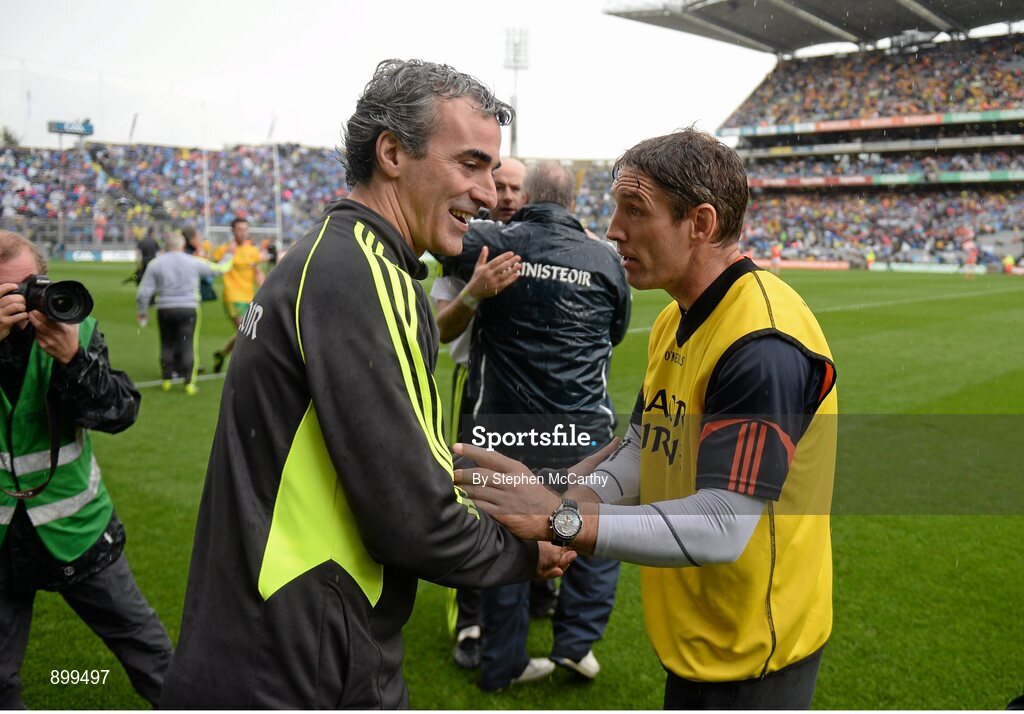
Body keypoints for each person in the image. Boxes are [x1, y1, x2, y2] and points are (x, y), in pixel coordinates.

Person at [159, 58, 573, 709]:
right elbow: (415, 518)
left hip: (266, 645)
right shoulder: (363, 273)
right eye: (470, 163)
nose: (490, 193)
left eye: (493, 170)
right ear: (392, 153)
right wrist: (529, 552)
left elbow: (396, 469)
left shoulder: (326, 252)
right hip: (303, 664)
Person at [455, 128, 838, 709]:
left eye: (634, 210)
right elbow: (641, 445)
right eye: (614, 207)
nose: (613, 229)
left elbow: (722, 524)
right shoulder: (675, 317)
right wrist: (579, 496)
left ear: (700, 224)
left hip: (755, 654)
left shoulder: (763, 343)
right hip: (699, 636)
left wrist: (563, 523)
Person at [443, 161, 631, 692]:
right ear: (572, 202)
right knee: (594, 529)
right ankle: (576, 644)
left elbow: (439, 238)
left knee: (507, 536)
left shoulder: (492, 243)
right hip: (581, 426)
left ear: (525, 196)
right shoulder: (604, 259)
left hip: (506, 428)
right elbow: (615, 331)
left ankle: (500, 664)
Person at [0, 231, 173, 708]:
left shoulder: (72, 327)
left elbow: (120, 411)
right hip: (1, 543)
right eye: (7, 293)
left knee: (153, 656)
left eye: (30, 286)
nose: (23, 301)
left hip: (77, 531)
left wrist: (74, 359)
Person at [430, 157, 525, 670]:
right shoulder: (463, 248)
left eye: (516, 187)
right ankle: (469, 618)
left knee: (535, 491)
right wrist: (474, 292)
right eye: (500, 185)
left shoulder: (545, 251)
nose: (507, 195)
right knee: (471, 497)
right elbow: (440, 330)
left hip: (528, 401)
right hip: (476, 389)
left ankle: (524, 598)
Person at [135, 232, 229, 394]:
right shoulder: (192, 261)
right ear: (183, 246)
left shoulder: (156, 264)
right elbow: (219, 270)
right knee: (188, 344)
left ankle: (167, 379)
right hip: (188, 308)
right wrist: (229, 255)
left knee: (166, 343)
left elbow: (144, 292)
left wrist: (142, 311)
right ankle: (189, 383)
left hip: (165, 308)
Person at [212, 217, 264, 373]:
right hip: (232, 297)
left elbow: (257, 271)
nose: (242, 233)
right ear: (233, 231)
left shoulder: (252, 251)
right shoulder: (224, 250)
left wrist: (265, 288)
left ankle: (221, 354)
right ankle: (244, 368)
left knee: (244, 333)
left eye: (245, 229)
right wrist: (226, 256)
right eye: (239, 229)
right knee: (246, 331)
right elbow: (214, 269)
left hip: (250, 297)